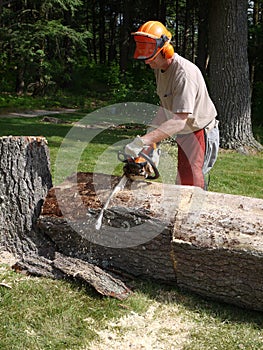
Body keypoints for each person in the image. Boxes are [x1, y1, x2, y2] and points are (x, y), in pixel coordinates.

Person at [125, 20, 219, 190]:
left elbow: (178, 121)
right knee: (181, 182)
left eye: (151, 58)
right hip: (185, 131)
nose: (147, 62)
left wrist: (142, 141)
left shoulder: (184, 75)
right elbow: (165, 107)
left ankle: (199, 215)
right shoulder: (160, 68)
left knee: (192, 183)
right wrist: (150, 140)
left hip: (199, 130)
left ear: (165, 51)